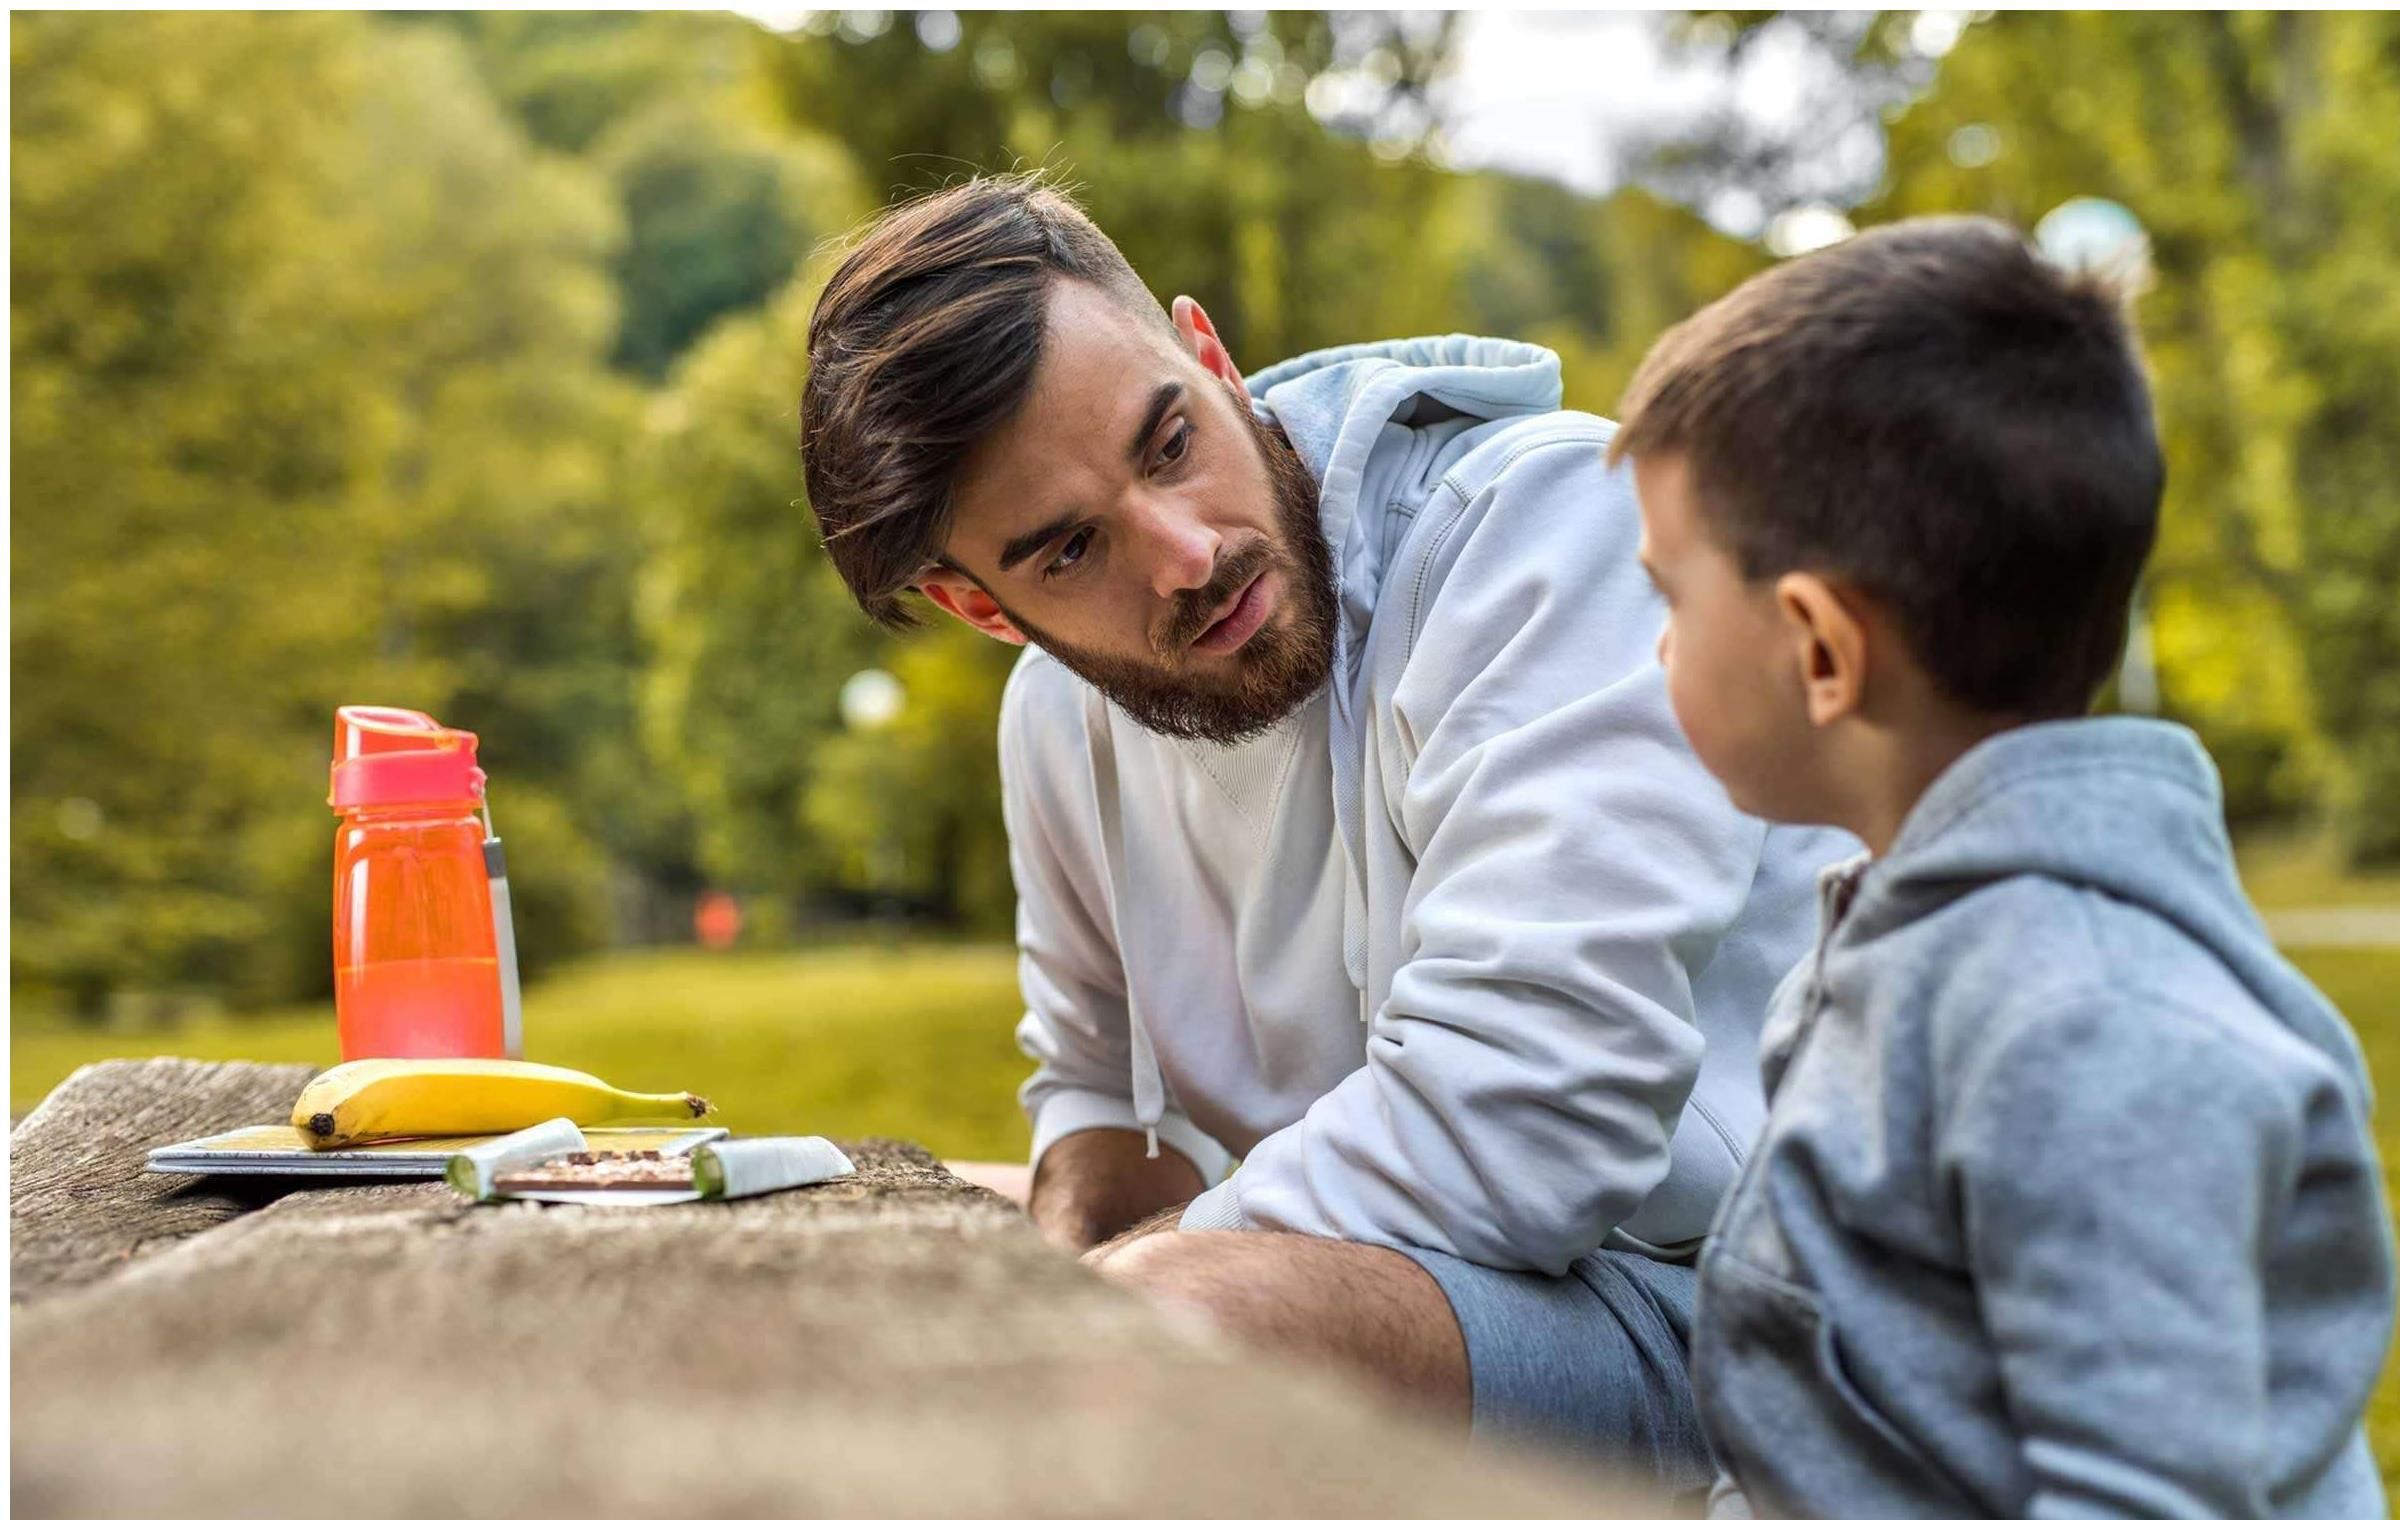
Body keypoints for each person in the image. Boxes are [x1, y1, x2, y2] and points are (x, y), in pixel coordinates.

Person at [797, 173, 1849, 1485]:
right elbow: (1094, 1095)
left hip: (1765, 1323)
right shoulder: (1053, 728)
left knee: (1165, 1333)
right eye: (1071, 550)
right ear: (983, 608)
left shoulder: (1543, 531)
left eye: (1168, 443)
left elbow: (1538, 1118)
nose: (1182, 554)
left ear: (1210, 358)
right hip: (1463, 1292)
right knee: (859, 1229)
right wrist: (1082, 1245)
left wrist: (1116, 1294)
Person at [1614, 215, 2395, 1517]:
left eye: (1670, 600)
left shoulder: (2085, 1023)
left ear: (1820, 650)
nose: (1655, 655)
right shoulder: (1928, 934)